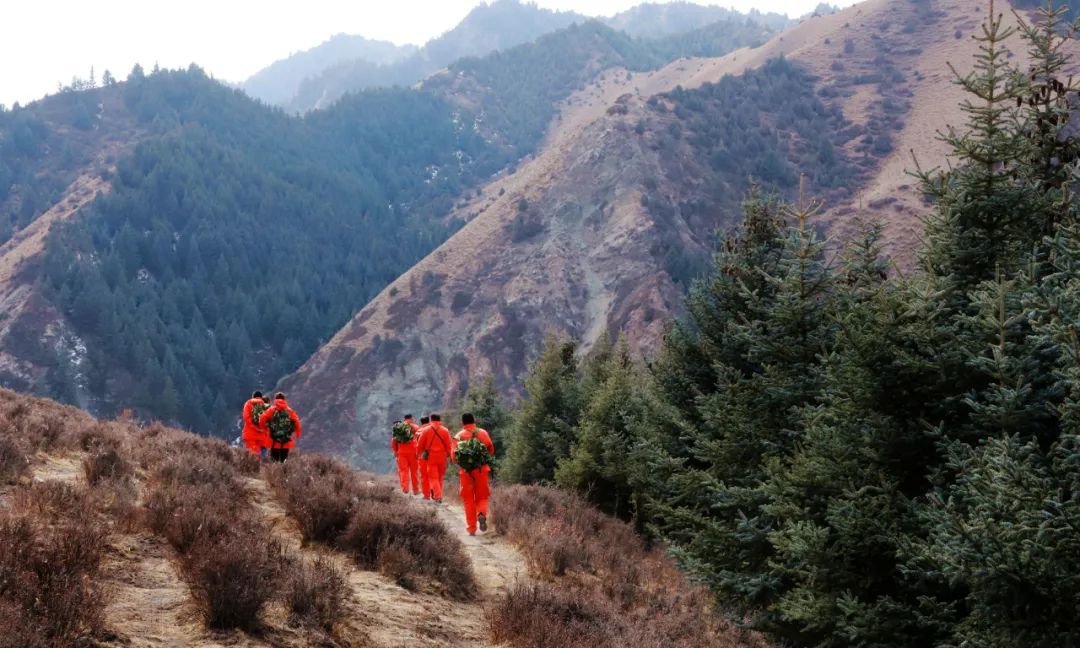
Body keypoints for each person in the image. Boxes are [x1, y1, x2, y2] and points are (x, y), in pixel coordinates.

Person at [453, 413, 495, 535]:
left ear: (463, 423)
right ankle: (481, 513)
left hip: (465, 472)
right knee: (482, 496)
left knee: (468, 500)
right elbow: (490, 449)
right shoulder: (482, 433)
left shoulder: (458, 436)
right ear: (474, 421)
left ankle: (471, 528)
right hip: (481, 470)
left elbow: (454, 457)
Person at [417, 413, 452, 503]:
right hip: (442, 457)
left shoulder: (426, 430)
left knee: (433, 477)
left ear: (431, 420)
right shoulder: (445, 430)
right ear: (439, 420)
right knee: (440, 477)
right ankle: (438, 493)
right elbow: (449, 445)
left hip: (431, 457)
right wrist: (449, 455)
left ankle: (437, 495)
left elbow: (420, 444)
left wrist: (418, 454)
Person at [259, 392, 302, 463]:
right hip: (286, 440)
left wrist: (264, 428)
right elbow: (297, 421)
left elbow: (262, 418)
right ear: (284, 399)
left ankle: (275, 473)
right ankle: (282, 472)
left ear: (275, 399)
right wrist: (298, 434)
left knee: (274, 461)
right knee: (283, 461)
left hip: (273, 440)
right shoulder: (289, 411)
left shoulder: (271, 410)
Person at [392, 414, 421, 495]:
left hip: (401, 453)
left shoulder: (399, 427)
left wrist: (396, 452)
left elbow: (394, 441)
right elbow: (420, 440)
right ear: (412, 418)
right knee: (414, 472)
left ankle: (405, 488)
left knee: (403, 471)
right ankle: (415, 490)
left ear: (404, 419)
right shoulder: (416, 427)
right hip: (413, 452)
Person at [241, 391, 270, 458]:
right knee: (262, 458)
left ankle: (254, 467)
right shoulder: (265, 406)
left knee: (253, 457)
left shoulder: (248, 404)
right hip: (261, 436)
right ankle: (263, 467)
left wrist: (253, 426)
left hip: (250, 435)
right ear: (261, 397)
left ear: (253, 397)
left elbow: (246, 417)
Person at [416, 416, 432, 499]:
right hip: (434, 455)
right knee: (433, 475)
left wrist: (417, 454)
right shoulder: (434, 429)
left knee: (424, 476)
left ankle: (426, 494)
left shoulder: (418, 431)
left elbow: (418, 445)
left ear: (421, 422)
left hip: (422, 456)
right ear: (428, 421)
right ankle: (435, 491)